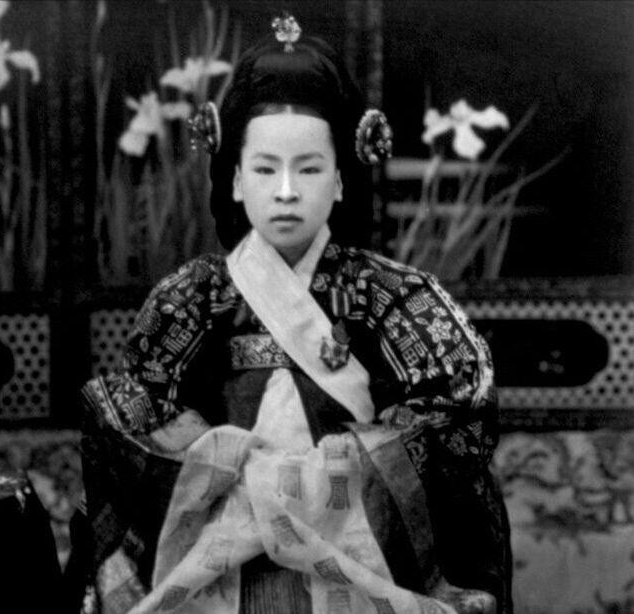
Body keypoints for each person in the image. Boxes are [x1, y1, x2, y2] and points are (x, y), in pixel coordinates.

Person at [78, 14, 511, 614]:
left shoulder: (392, 296)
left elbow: (456, 412)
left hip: (362, 558)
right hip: (219, 556)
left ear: (340, 181)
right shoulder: (193, 298)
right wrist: (236, 477)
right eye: (265, 169)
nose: (286, 190)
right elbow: (137, 418)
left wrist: (332, 476)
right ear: (235, 180)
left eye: (308, 169)